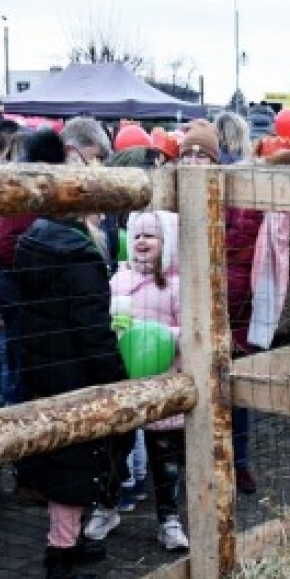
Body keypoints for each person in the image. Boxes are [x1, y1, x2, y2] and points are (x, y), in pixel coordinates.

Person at [0, 128, 130, 579]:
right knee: (76, 469)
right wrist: (116, 378)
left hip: (44, 367)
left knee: (64, 467)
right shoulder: (78, 253)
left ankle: (67, 550)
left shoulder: (33, 239)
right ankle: (59, 567)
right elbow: (93, 330)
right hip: (76, 372)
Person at [109, 211, 189, 551]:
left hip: (163, 378)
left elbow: (190, 332)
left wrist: (159, 336)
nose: (141, 242)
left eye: (150, 237)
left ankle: (169, 520)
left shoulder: (176, 284)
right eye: (137, 236)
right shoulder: (118, 280)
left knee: (165, 457)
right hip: (124, 379)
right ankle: (106, 507)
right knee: (114, 449)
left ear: (166, 242)